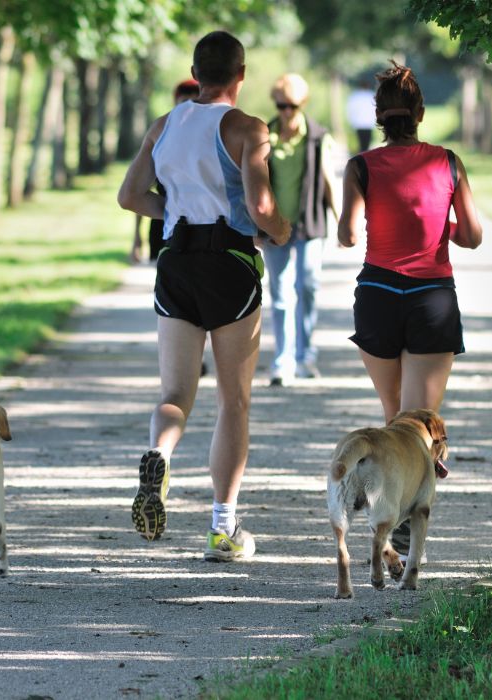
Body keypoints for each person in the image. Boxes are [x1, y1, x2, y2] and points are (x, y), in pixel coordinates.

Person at [117, 30, 291, 561]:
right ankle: (223, 527)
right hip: (230, 264)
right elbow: (260, 209)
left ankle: (159, 454)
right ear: (241, 76)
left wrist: (173, 217)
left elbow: (129, 196)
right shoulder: (248, 128)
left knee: (174, 394)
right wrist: (281, 232)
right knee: (233, 400)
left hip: (176, 263)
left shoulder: (165, 125)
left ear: (196, 73)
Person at [337, 61, 483, 559]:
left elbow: (347, 234)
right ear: (420, 113)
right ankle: (404, 518)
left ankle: (388, 504)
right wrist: (441, 227)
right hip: (431, 297)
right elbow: (473, 235)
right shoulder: (448, 162)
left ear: (379, 116)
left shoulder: (360, 166)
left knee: (395, 417)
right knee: (419, 422)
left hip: (377, 293)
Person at [260, 73, 337, 385]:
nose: (286, 112)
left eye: (291, 105)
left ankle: (306, 355)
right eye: (280, 105)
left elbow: (330, 181)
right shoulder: (264, 136)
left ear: (302, 104)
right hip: (274, 227)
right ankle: (283, 359)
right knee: (279, 293)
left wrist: (342, 220)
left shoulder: (318, 136)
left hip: (309, 224)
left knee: (307, 286)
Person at [131, 79, 201, 264]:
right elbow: (138, 190)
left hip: (203, 227)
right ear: (175, 102)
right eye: (184, 102)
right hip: (163, 225)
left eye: (194, 102)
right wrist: (136, 237)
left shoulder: (210, 139)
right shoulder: (161, 136)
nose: (188, 108)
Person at [346, 78, 376, 153]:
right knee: (366, 145)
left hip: (358, 124)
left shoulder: (354, 96)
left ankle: (361, 157)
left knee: (361, 144)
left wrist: (351, 121)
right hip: (369, 124)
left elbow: (350, 110)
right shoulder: (372, 95)